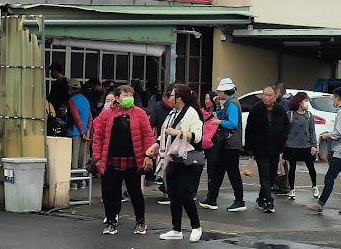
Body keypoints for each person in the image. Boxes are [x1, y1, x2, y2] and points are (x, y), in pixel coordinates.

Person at [92, 85, 156, 236]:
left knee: (135, 193)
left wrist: (149, 156)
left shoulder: (139, 114)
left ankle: (140, 221)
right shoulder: (106, 115)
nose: (129, 98)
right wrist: (98, 158)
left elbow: (148, 136)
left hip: (134, 160)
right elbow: (98, 138)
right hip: (111, 160)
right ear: (117, 98)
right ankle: (110, 222)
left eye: (131, 95)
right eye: (126, 95)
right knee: (110, 193)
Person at [148, 84, 204, 242]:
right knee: (173, 194)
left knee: (184, 193)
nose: (168, 98)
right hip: (171, 158)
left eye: (171, 95)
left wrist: (179, 133)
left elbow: (198, 136)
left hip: (185, 159)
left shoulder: (192, 113)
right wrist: (155, 145)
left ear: (179, 98)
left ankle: (196, 227)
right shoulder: (172, 113)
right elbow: (164, 134)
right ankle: (176, 229)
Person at [303, 87, 341, 216]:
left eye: (333, 97)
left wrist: (327, 135)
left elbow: (339, 132)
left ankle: (320, 204)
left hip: (340, 150)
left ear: (338, 98)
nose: (333, 100)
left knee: (329, 178)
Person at [199, 78, 245, 212]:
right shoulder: (229, 102)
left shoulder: (232, 104)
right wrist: (219, 108)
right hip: (227, 144)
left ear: (225, 91)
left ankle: (239, 200)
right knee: (219, 171)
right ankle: (212, 198)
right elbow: (221, 116)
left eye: (219, 91)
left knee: (232, 172)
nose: (218, 94)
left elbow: (233, 123)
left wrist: (219, 122)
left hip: (230, 144)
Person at [243, 85, 289, 213]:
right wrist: (249, 148)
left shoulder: (280, 110)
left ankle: (261, 197)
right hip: (260, 148)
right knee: (264, 175)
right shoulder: (256, 110)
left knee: (272, 174)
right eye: (264, 95)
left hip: (275, 148)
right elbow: (249, 129)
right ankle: (269, 201)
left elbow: (285, 128)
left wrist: (283, 144)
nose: (266, 98)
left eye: (269, 95)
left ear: (275, 97)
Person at [283, 92, 319, 200]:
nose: (307, 103)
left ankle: (314, 186)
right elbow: (285, 131)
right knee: (292, 168)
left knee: (311, 167)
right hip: (292, 145)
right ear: (299, 101)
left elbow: (312, 131)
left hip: (306, 145)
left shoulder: (309, 115)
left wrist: (314, 145)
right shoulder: (290, 114)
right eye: (305, 101)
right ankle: (292, 189)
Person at [67, 79, 93, 180]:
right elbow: (90, 117)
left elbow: (76, 117)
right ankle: (82, 181)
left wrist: (81, 132)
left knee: (74, 157)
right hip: (85, 133)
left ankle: (73, 181)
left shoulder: (72, 100)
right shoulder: (85, 100)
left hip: (75, 132)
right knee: (82, 158)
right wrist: (87, 132)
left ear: (70, 88)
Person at [271, 82, 291, 195]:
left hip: (281, 138)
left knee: (280, 161)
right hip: (283, 137)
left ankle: (281, 184)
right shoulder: (287, 102)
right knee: (282, 161)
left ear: (278, 91)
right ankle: (281, 183)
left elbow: (280, 121)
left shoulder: (283, 104)